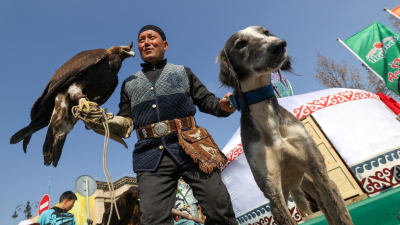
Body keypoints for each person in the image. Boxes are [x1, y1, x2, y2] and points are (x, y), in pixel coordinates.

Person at [117, 25, 238, 225]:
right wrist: (104, 121)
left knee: (219, 207)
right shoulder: (129, 83)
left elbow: (208, 101)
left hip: (193, 147)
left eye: (151, 38)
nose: (146, 42)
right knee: (153, 219)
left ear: (164, 45)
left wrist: (224, 105)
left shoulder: (183, 72)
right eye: (141, 40)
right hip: (150, 156)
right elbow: (125, 121)